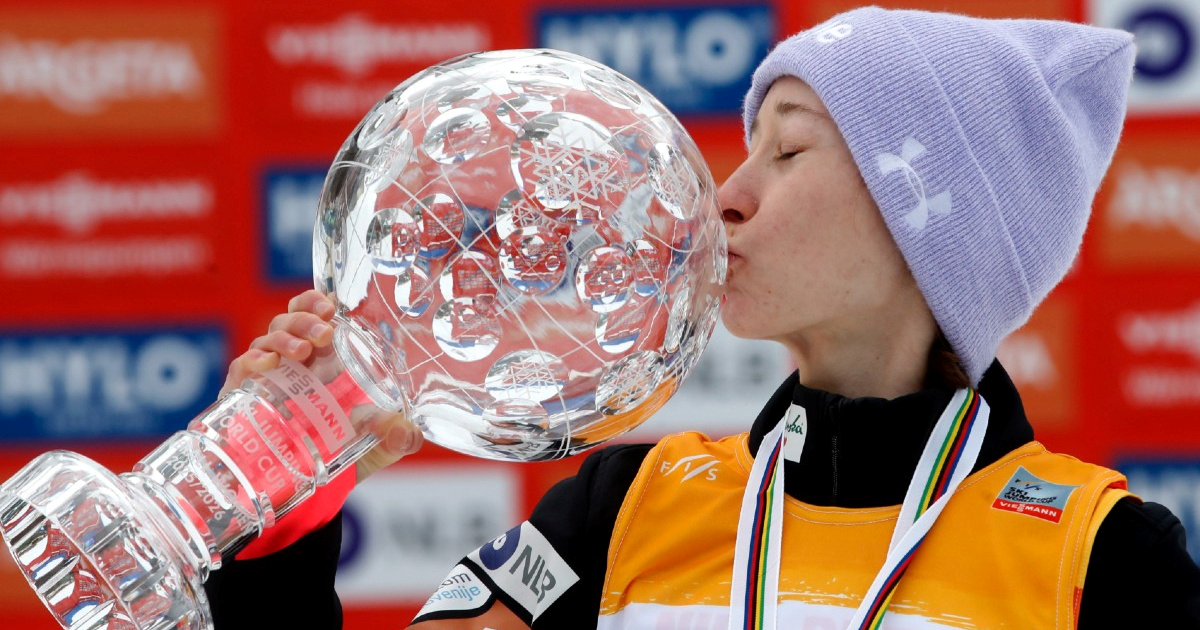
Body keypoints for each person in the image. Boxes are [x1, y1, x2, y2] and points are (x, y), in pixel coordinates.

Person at [204, 7, 1200, 629]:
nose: (726, 196)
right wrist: (277, 538)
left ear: (931, 225)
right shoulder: (626, 508)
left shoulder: (1100, 555)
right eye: (746, 146)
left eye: (791, 151)